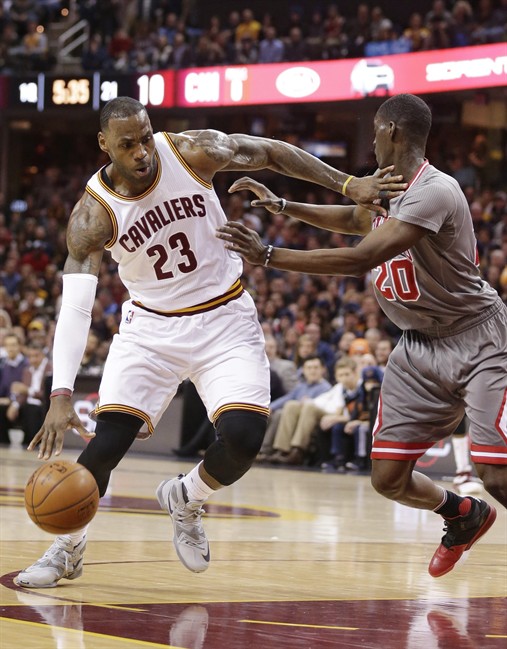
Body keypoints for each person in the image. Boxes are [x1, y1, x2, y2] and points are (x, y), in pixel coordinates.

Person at [17, 96, 405, 589]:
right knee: (106, 444)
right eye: (127, 144)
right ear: (104, 145)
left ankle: (187, 497)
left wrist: (350, 184)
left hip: (224, 316)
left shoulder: (190, 153)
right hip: (151, 329)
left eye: (144, 136)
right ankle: (68, 547)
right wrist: (61, 394)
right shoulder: (93, 216)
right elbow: (75, 307)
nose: (141, 152)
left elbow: (270, 151)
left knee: (244, 439)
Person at [217, 93, 506, 578]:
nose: (371, 138)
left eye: (374, 129)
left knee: (495, 470)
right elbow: (356, 220)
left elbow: (360, 258)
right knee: (388, 478)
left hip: (476, 338)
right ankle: (463, 515)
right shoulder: (387, 187)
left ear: (392, 131)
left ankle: (483, 499)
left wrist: (268, 255)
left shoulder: (435, 189)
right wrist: (283, 204)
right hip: (417, 346)